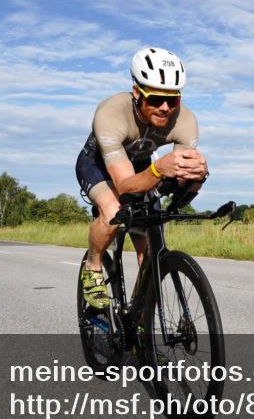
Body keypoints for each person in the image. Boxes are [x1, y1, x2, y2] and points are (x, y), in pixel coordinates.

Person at [75, 47, 208, 308]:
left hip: (140, 165)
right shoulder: (111, 114)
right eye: (156, 99)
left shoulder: (186, 121)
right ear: (137, 92)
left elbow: (175, 185)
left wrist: (195, 178)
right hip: (98, 165)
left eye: (173, 100)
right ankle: (93, 266)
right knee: (113, 210)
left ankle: (139, 314)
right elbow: (124, 185)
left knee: (151, 247)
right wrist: (159, 170)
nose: (166, 108)